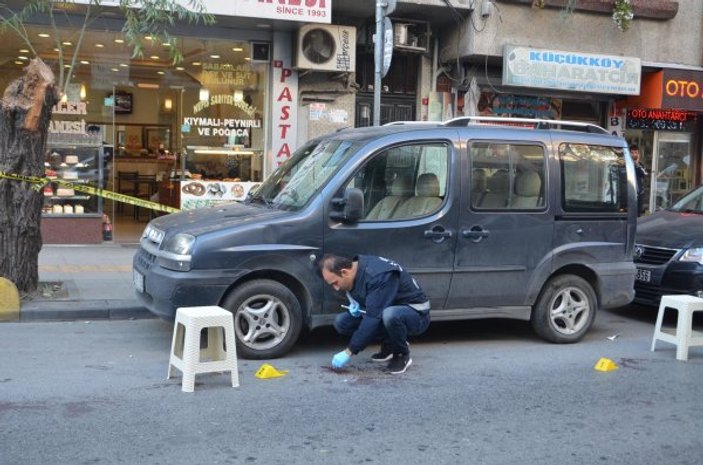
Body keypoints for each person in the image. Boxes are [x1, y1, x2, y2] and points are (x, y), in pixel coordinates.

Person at [319, 254, 431, 375]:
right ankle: (390, 344)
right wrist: (356, 304)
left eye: (335, 283)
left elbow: (373, 316)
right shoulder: (357, 268)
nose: (336, 288)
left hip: (416, 314)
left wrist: (349, 351)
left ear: (344, 272)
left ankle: (401, 354)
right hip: (386, 307)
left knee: (390, 315)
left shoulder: (378, 275)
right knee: (342, 323)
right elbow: (373, 303)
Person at [630, 144, 647, 216]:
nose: (634, 154)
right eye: (632, 153)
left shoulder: (640, 165)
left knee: (637, 214)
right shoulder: (626, 164)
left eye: (636, 152)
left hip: (639, 194)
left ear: (638, 154)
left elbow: (644, 174)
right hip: (629, 193)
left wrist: (637, 164)